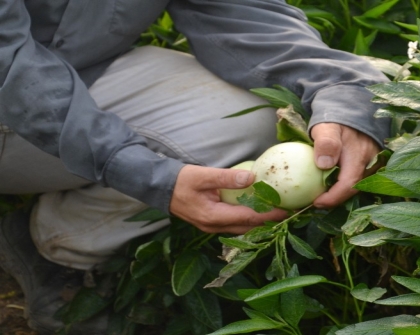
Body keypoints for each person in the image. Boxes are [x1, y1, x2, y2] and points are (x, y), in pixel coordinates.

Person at [0, 0, 390, 333]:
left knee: (246, 122)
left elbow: (240, 10)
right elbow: (11, 66)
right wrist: (147, 174)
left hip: (81, 70)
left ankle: (58, 246)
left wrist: (341, 91)